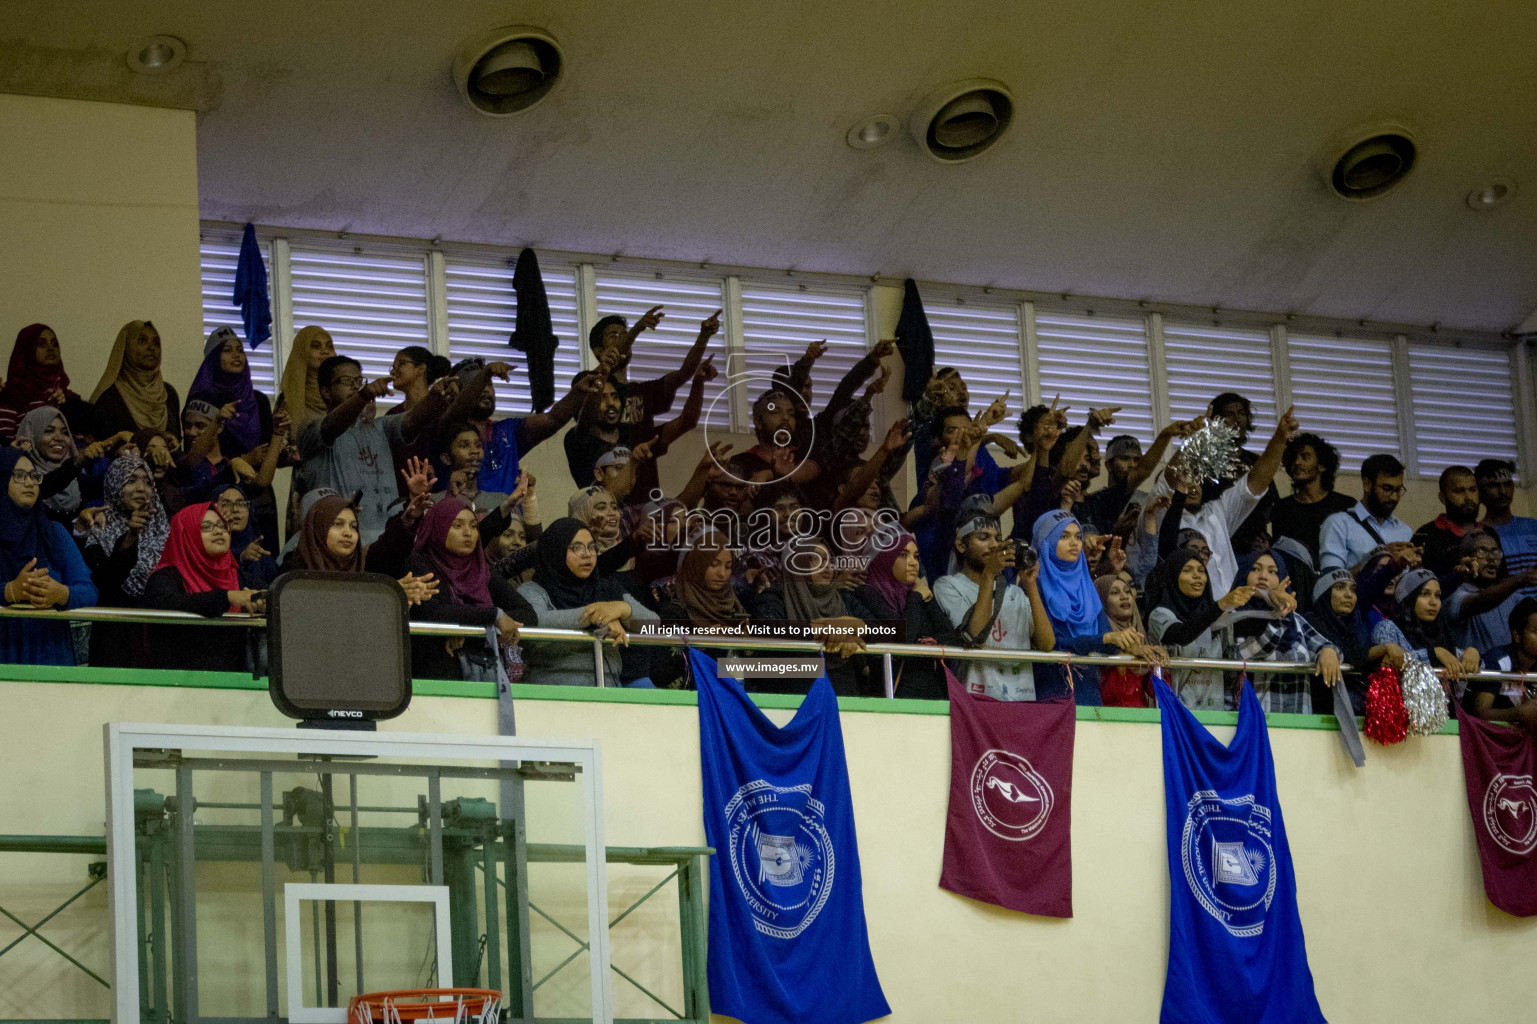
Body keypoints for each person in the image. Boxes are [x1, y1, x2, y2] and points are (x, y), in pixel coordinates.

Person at [294, 355, 445, 543]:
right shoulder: (310, 428)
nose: (356, 386)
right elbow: (330, 427)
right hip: (337, 543)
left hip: (386, 543)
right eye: (348, 381)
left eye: (359, 381)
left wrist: (438, 396)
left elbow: (414, 419)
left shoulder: (381, 427)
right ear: (326, 392)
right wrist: (363, 395)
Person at [1152, 406, 1298, 597]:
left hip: (1231, 614)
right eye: (1186, 476)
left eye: (1197, 476)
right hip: (1188, 616)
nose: (1192, 484)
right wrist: (1196, 440)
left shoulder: (1217, 511)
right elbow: (1171, 473)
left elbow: (1255, 483)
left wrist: (1280, 439)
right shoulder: (1161, 514)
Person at [1031, 510, 1156, 706]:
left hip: (1090, 696)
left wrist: (1130, 646)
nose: (1074, 543)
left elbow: (1106, 640)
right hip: (1051, 697)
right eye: (1064, 536)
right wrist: (1105, 639)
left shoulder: (1086, 586)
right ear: (1046, 541)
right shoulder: (1033, 584)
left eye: (1078, 536)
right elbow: (1053, 644)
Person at [405, 497, 534, 681]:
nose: (468, 533)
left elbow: (528, 614)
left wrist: (471, 630)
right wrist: (493, 617)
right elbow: (434, 612)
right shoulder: (420, 563)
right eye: (457, 526)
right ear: (439, 528)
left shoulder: (481, 569)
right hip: (436, 675)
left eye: (473, 526)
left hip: (487, 674)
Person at [517, 517, 657, 686]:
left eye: (592, 547)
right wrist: (592, 616)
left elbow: (653, 626)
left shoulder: (607, 589)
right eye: (577, 547)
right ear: (556, 550)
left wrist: (623, 609)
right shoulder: (532, 590)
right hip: (551, 692)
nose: (588, 554)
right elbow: (534, 623)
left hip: (608, 691)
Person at [932, 515, 1055, 701]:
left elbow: (1047, 644)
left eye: (998, 539)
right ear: (961, 544)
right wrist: (989, 574)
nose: (993, 545)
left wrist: (1030, 584)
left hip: (1022, 699)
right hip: (975, 698)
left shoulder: (1016, 592)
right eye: (983, 538)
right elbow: (975, 636)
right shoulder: (947, 585)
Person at [0, 447, 97, 665]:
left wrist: (61, 594)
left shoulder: (54, 533)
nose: (30, 482)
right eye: (19, 475)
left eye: (35, 476)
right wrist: (10, 591)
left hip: (51, 653)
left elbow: (89, 591)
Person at [142, 503, 263, 672]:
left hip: (233, 684)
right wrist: (226, 597)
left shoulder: (239, 577)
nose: (218, 531)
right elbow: (169, 604)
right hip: (177, 683)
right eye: (206, 527)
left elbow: (266, 598)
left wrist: (263, 604)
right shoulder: (165, 577)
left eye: (222, 526)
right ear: (186, 535)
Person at [751, 536, 874, 695]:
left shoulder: (844, 598)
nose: (827, 566)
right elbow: (765, 627)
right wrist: (822, 632)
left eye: (829, 561)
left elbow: (890, 631)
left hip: (845, 695)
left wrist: (854, 627)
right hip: (792, 694)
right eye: (816, 560)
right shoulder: (776, 597)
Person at [81, 452, 170, 667]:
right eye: (131, 480)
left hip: (158, 637)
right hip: (116, 640)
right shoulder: (99, 532)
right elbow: (107, 581)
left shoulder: (166, 531)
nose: (141, 488)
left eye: (147, 482)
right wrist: (131, 536)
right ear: (114, 484)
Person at [1226, 551, 1342, 714]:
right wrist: (1282, 615)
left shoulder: (1295, 620)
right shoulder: (1230, 618)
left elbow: (1330, 649)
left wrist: (1328, 651)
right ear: (1243, 574)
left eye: (1272, 572)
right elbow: (1250, 653)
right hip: (1249, 725)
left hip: (1295, 726)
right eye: (1256, 569)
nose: (1263, 577)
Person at [852, 531, 963, 699]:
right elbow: (902, 637)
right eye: (903, 555)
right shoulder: (868, 593)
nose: (913, 563)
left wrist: (920, 596)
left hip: (933, 692)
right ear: (885, 558)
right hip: (896, 697)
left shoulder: (917, 592)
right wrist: (916, 597)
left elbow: (949, 636)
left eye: (916, 557)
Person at [1143, 547, 1257, 710]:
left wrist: (1274, 604)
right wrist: (1221, 606)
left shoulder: (1215, 614)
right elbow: (1182, 636)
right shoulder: (1160, 614)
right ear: (1173, 576)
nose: (1197, 576)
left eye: (1201, 571)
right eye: (1187, 570)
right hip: (1173, 715)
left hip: (1214, 714)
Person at [1370, 568, 1480, 692]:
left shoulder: (1440, 632)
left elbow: (1457, 658)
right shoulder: (1386, 628)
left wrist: (1473, 654)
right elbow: (1389, 663)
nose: (1433, 602)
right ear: (1408, 598)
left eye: (1437, 596)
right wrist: (1433, 654)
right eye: (1425, 594)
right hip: (1400, 709)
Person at [1205, 391, 1277, 554]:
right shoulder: (1205, 461)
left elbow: (1271, 505)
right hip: (1217, 542)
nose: (1237, 419)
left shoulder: (1256, 462)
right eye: (1229, 414)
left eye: (1242, 413)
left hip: (1254, 547)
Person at [1444, 530, 1537, 654]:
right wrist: (1520, 579)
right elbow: (1481, 601)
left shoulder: (1516, 600)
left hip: (1509, 672)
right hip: (1477, 672)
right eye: (1482, 551)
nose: (1491, 558)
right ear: (1465, 559)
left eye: (1495, 552)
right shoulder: (1455, 597)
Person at [1319, 454, 1414, 572]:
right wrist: (1377, 558)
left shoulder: (1405, 531)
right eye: (1387, 488)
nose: (1394, 497)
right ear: (1367, 484)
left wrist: (1417, 568)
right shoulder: (1339, 524)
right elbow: (1331, 581)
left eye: (1398, 490)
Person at [0, 324, 95, 443]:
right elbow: (5, 446)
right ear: (27, 349)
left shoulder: (69, 399)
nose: (51, 348)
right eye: (41, 344)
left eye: (55, 344)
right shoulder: (12, 395)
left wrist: (63, 407)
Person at [1270, 432, 1354, 564]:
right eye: (1293, 458)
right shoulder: (1282, 509)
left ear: (1322, 465)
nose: (1297, 462)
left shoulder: (1345, 505)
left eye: (1305, 457)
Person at [90, 320, 182, 440]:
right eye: (142, 341)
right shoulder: (109, 396)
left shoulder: (169, 394)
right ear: (127, 347)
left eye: (156, 343)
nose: (151, 348)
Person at [1306, 568, 1375, 714]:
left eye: (1352, 589)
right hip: (1322, 714)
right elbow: (1350, 654)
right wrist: (1379, 651)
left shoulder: (1358, 625)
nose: (1349, 595)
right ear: (1324, 593)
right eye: (1339, 587)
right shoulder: (1310, 620)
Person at [1463, 598, 1537, 723]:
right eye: (1536, 632)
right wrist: (1519, 713)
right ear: (1517, 635)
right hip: (1490, 738)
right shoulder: (1496, 661)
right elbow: (1480, 713)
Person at [1094, 571, 1162, 707]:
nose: (1124, 597)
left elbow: (1157, 693)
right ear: (1101, 601)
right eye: (1114, 593)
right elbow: (1108, 693)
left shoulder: (1141, 638)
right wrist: (1124, 659)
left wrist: (1159, 662)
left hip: (1142, 722)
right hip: (1105, 722)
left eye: (1127, 591)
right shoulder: (1099, 641)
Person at [1412, 465, 1483, 592]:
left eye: (1472, 490)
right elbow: (1419, 585)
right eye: (1459, 491)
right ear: (1442, 497)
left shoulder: (1489, 532)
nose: (1468, 498)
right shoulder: (1426, 535)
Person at [1475, 459, 1537, 596]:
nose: (1503, 491)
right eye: (1493, 486)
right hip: (1507, 614)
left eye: (1507, 484)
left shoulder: (1533, 527)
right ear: (1480, 492)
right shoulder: (1478, 535)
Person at [13, 406, 84, 521]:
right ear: (31, 434)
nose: (59, 438)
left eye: (65, 433)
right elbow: (48, 484)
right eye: (48, 431)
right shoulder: (14, 475)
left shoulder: (77, 477)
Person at [215, 486, 280, 590]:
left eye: (241, 504)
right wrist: (240, 558)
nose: (235, 509)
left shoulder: (266, 563)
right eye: (226, 504)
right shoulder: (208, 559)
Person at [276, 325, 336, 431]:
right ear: (302, 352)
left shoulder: (344, 392)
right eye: (316, 346)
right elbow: (281, 440)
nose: (325, 351)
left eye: (329, 346)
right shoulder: (288, 398)